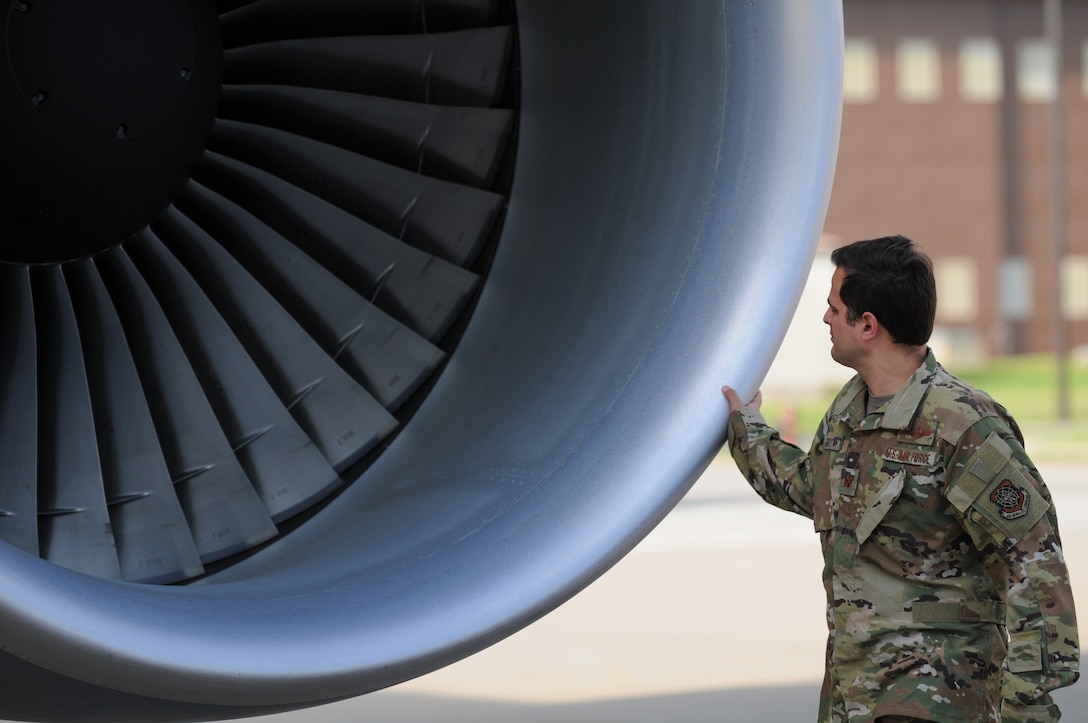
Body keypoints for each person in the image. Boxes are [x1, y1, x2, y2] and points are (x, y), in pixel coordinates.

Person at [721, 235, 1079, 722]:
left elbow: (1036, 570)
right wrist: (748, 428)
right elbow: (809, 487)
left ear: (867, 325)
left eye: (833, 307)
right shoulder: (849, 411)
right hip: (856, 685)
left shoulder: (963, 426)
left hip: (936, 688)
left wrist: (1026, 706)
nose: (825, 318)